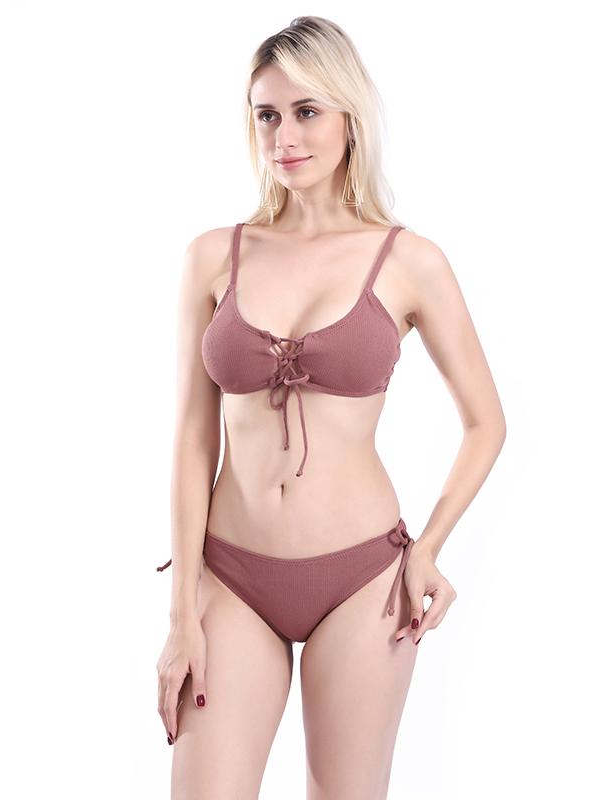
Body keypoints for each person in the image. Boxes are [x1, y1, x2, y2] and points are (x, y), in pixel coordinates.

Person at [155, 15, 506, 800]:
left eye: (307, 111)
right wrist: (181, 614)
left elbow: (486, 423)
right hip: (230, 575)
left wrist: (429, 548)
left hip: (363, 579)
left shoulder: (411, 261)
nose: (284, 137)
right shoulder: (213, 256)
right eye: (267, 115)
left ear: (350, 116)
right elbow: (190, 441)